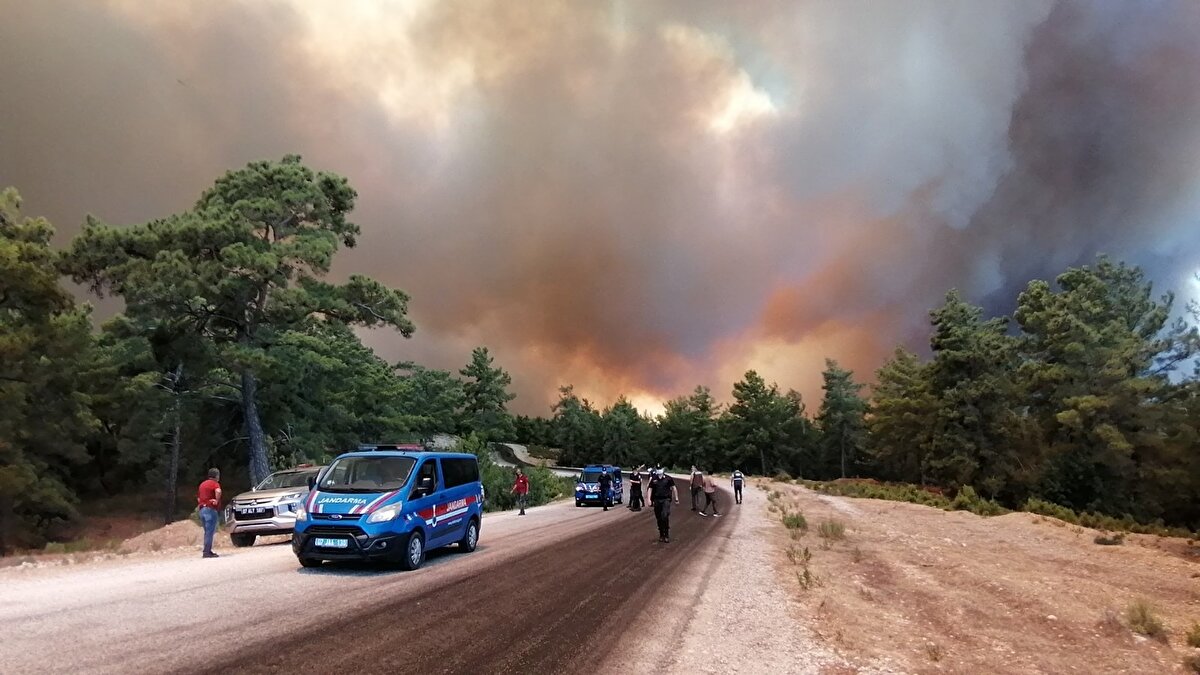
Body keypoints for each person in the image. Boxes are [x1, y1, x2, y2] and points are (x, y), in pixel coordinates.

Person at [647, 468, 679, 543]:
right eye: (658, 469)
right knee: (658, 518)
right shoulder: (654, 479)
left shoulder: (668, 478)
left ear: (663, 470)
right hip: (657, 500)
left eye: (660, 469)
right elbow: (650, 489)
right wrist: (649, 499)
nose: (659, 470)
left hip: (666, 500)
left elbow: (674, 488)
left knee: (664, 515)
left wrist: (676, 498)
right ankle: (661, 534)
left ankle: (666, 534)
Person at [197, 468, 222, 558]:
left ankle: (207, 550)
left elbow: (198, 498)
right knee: (210, 532)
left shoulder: (202, 484)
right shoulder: (214, 483)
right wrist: (216, 500)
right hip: (210, 509)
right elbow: (218, 491)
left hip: (202, 510)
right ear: (216, 476)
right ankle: (207, 552)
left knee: (207, 531)